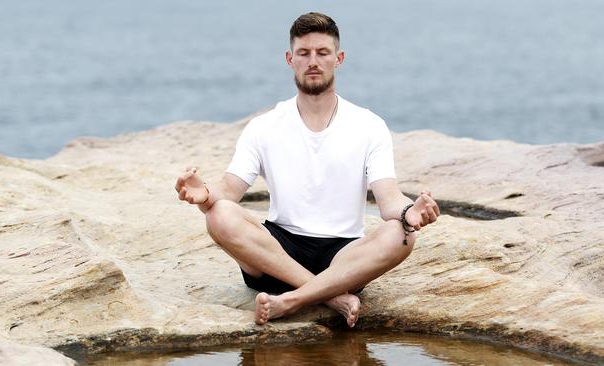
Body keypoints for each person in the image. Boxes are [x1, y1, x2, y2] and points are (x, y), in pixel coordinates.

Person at [175, 12, 439, 327]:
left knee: (403, 235)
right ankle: (329, 296)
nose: (313, 61)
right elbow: (229, 190)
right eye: (304, 53)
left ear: (338, 58)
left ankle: (290, 301)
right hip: (276, 256)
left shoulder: (369, 126)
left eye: (322, 53)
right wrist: (204, 194)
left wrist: (409, 212)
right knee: (218, 214)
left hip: (343, 258)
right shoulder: (264, 126)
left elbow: (388, 200)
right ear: (290, 59)